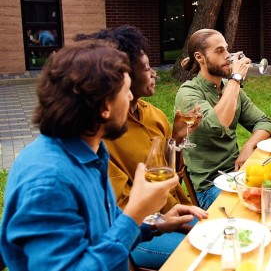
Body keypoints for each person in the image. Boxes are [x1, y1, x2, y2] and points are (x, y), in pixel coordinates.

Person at [0, 41, 205, 270]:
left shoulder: (91, 152)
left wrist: (155, 224)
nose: (131, 98)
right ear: (104, 108)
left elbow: (105, 231)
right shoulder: (48, 181)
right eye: (125, 91)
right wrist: (136, 212)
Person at [75, 26, 208, 269]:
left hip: (162, 217)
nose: (154, 74)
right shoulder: (94, 146)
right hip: (140, 231)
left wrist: (177, 139)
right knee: (206, 258)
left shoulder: (153, 114)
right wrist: (156, 224)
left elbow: (172, 174)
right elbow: (120, 218)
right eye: (146, 68)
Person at [176, 29, 271, 209]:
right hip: (209, 187)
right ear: (200, 58)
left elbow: (265, 122)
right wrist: (236, 78)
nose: (228, 56)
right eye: (219, 51)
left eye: (226, 49)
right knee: (260, 206)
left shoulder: (229, 88)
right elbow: (217, 125)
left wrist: (249, 145)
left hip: (236, 174)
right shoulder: (189, 92)